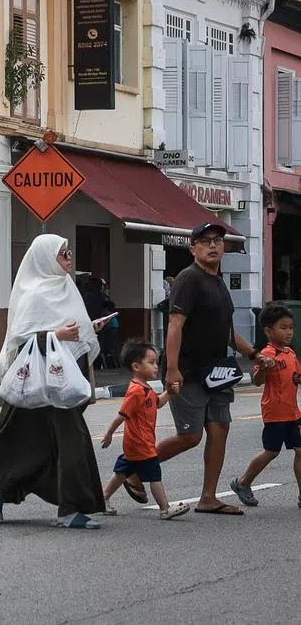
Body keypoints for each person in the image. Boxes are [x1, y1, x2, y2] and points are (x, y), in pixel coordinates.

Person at [0, 233, 106, 529]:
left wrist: (89, 329)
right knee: (64, 441)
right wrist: (56, 335)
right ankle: (69, 510)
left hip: (61, 380)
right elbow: (21, 338)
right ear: (45, 258)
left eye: (69, 252)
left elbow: (72, 329)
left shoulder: (66, 287)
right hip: (38, 380)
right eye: (63, 253)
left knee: (26, 442)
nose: (69, 258)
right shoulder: (35, 293)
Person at [135, 221, 267, 516]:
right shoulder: (189, 279)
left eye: (217, 240)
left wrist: (253, 353)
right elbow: (175, 325)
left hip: (217, 372)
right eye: (205, 241)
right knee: (190, 437)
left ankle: (208, 497)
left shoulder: (218, 281)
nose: (213, 245)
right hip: (188, 371)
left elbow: (227, 332)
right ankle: (134, 468)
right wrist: (172, 369)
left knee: (220, 429)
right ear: (193, 248)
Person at [100, 339, 189, 520]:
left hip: (137, 444)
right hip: (141, 444)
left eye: (156, 362)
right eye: (151, 362)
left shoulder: (145, 388)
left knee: (122, 472)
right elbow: (121, 416)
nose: (156, 366)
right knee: (154, 475)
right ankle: (164, 508)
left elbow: (158, 403)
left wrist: (169, 392)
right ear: (136, 366)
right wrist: (109, 434)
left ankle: (102, 498)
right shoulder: (136, 391)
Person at [231, 303, 301, 509]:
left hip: (293, 412)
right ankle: (243, 482)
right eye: (283, 328)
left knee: (300, 450)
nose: (289, 332)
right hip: (275, 413)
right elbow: (257, 381)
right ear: (269, 331)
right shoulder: (267, 354)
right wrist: (263, 368)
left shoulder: (290, 353)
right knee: (271, 451)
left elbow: (297, 377)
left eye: (291, 327)